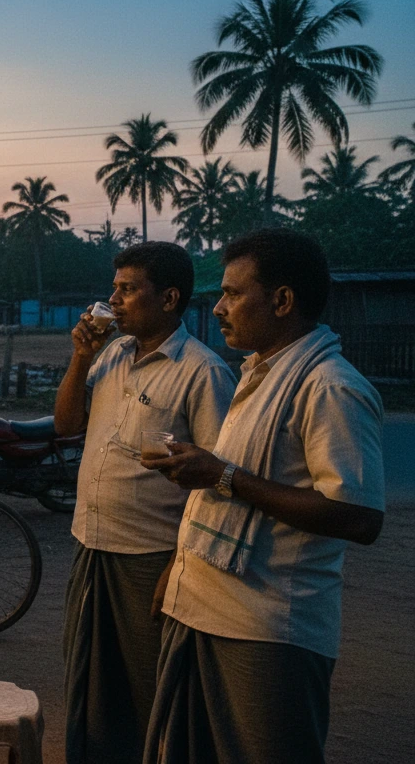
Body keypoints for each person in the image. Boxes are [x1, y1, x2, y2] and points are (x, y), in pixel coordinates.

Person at [140, 228, 385, 764]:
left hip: (269, 629)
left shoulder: (330, 387)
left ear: (282, 300)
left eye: (232, 293)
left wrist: (223, 475)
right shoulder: (259, 375)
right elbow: (224, 490)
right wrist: (178, 572)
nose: (220, 307)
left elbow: (360, 517)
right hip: (205, 608)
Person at [53, 242, 236, 764]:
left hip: (151, 558)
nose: (114, 299)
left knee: (146, 691)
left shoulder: (202, 373)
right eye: (115, 288)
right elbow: (67, 425)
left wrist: (180, 565)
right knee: (89, 680)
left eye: (129, 289)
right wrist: (80, 355)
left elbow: (216, 481)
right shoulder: (110, 355)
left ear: (170, 298)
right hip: (92, 546)